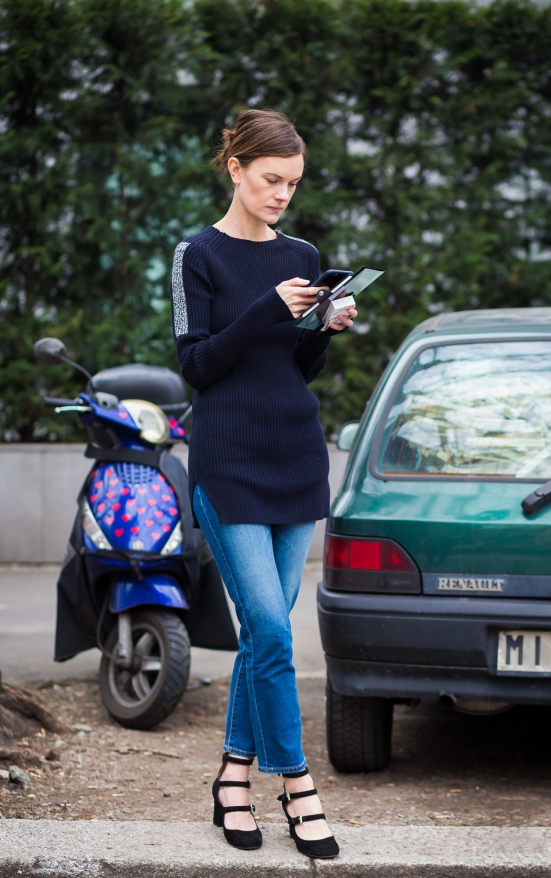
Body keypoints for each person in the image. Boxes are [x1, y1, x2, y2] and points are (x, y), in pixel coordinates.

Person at [170, 109, 357, 860]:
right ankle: (298, 784)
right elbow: (199, 365)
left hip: (295, 456)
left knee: (263, 637)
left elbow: (292, 366)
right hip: (227, 462)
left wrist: (322, 328)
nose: (283, 194)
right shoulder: (197, 256)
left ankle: (231, 777)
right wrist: (265, 308)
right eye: (271, 180)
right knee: (274, 632)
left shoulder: (304, 252)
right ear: (236, 169)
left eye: (293, 183)